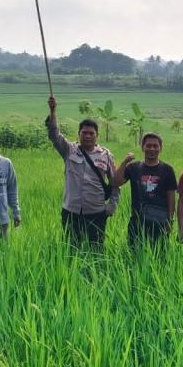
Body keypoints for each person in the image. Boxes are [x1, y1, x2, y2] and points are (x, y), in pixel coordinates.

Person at [46, 96, 119, 252]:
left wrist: (111, 206)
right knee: (71, 249)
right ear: (78, 134)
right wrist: (53, 111)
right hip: (71, 211)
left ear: (97, 135)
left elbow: (115, 183)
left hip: (97, 212)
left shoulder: (106, 155)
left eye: (91, 133)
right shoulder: (69, 150)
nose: (87, 136)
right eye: (84, 133)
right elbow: (54, 134)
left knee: (96, 250)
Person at [115, 132, 177, 253]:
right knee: (135, 255)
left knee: (160, 256)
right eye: (148, 146)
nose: (152, 149)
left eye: (155, 146)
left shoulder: (167, 170)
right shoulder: (133, 167)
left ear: (161, 148)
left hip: (160, 221)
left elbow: (171, 196)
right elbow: (116, 182)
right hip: (137, 221)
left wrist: (170, 220)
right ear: (142, 147)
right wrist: (124, 162)